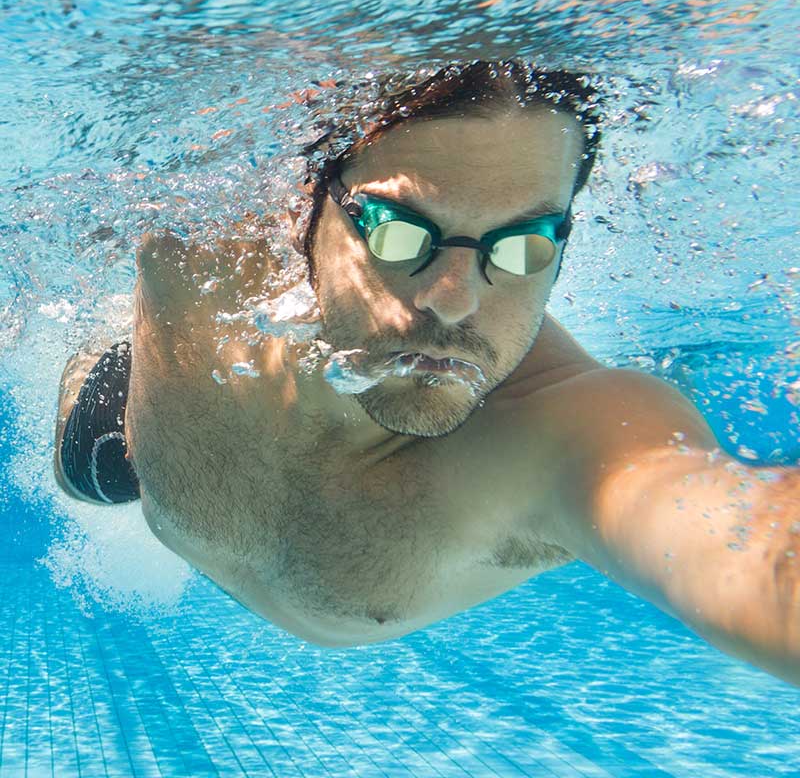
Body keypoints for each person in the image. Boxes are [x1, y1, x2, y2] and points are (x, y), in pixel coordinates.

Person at [53, 60, 799, 684]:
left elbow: (729, 534)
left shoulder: (566, 430)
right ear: (305, 208)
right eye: (401, 232)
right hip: (133, 439)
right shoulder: (192, 235)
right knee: (83, 468)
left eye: (521, 245)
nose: (455, 300)